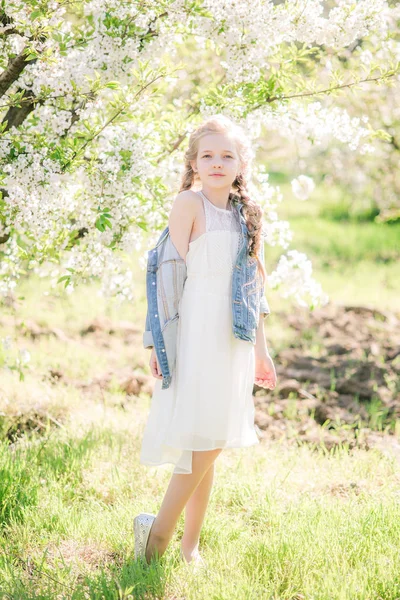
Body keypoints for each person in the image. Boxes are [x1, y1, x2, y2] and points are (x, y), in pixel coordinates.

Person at [134, 114, 277, 568]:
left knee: (210, 440)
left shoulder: (247, 214)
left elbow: (254, 285)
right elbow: (165, 277)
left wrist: (261, 348)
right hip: (194, 330)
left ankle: (188, 546)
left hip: (233, 336)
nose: (217, 163)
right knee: (206, 437)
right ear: (194, 162)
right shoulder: (189, 205)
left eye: (227, 155)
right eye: (208, 155)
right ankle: (156, 537)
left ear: (241, 163)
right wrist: (156, 342)